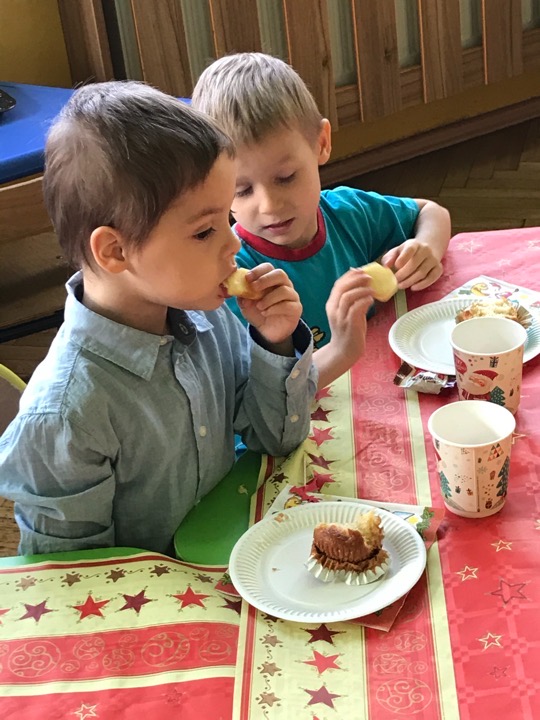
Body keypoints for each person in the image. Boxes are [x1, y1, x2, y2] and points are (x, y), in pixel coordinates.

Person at [0, 81, 320, 557]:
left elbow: (277, 438)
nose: (235, 241)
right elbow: (72, 580)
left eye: (226, 218)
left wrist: (274, 343)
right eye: (205, 231)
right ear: (115, 251)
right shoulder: (67, 414)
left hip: (235, 551)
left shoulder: (209, 318)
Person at [192, 52, 451, 352]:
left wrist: (426, 248)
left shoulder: (349, 213)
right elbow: (260, 377)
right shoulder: (231, 272)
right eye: (242, 190)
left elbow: (431, 212)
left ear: (321, 143)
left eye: (286, 177)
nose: (269, 206)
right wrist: (324, 345)